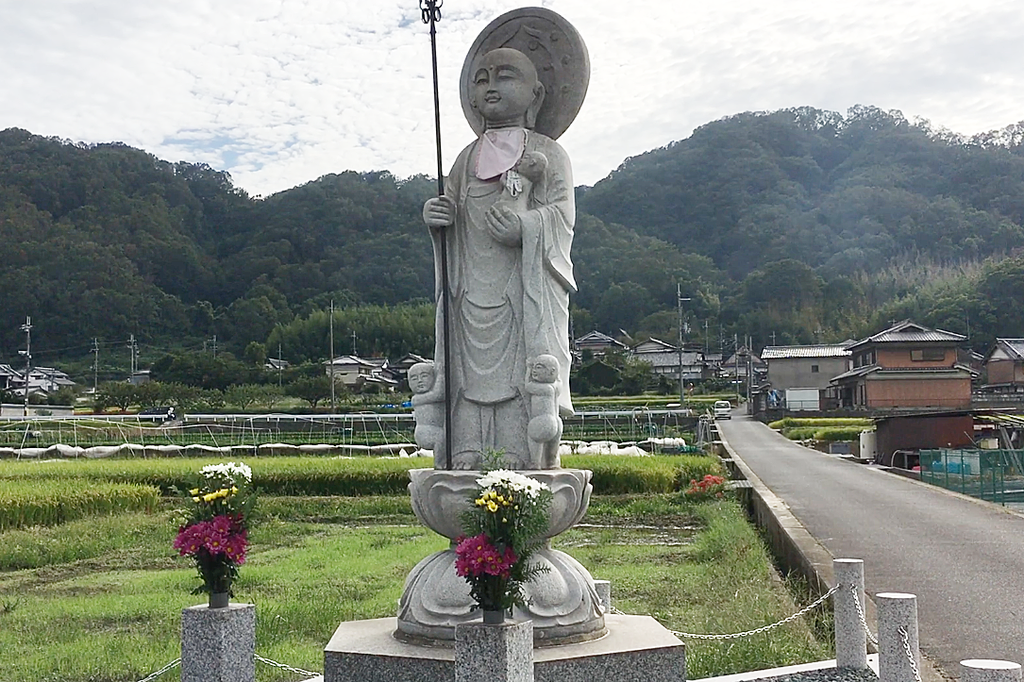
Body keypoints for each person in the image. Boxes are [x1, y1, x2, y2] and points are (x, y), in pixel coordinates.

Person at [421, 47, 576, 469]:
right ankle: (467, 449)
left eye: (505, 76)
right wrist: (437, 221)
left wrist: (526, 227)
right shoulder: (465, 160)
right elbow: (451, 211)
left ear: (536, 94)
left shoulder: (549, 153)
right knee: (466, 376)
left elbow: (562, 218)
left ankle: (525, 457)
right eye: (482, 78)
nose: (491, 86)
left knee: (522, 371)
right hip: (469, 291)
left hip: (521, 292)